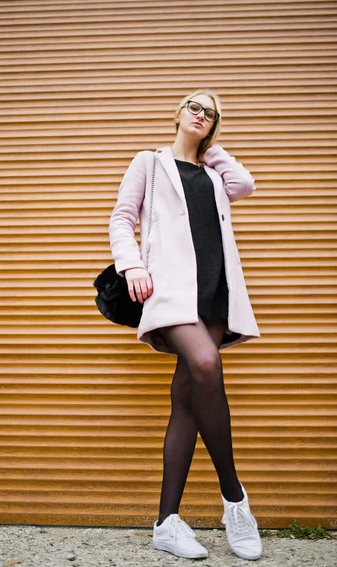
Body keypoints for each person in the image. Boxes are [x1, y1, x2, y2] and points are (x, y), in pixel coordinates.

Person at [109, 89, 262, 561]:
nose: (202, 115)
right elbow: (121, 218)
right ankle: (235, 500)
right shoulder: (149, 163)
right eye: (195, 106)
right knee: (203, 361)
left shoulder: (215, 173)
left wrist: (209, 144)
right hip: (170, 291)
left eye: (211, 113)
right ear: (176, 112)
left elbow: (246, 185)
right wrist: (131, 265)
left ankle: (166, 523)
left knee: (188, 401)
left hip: (214, 292)